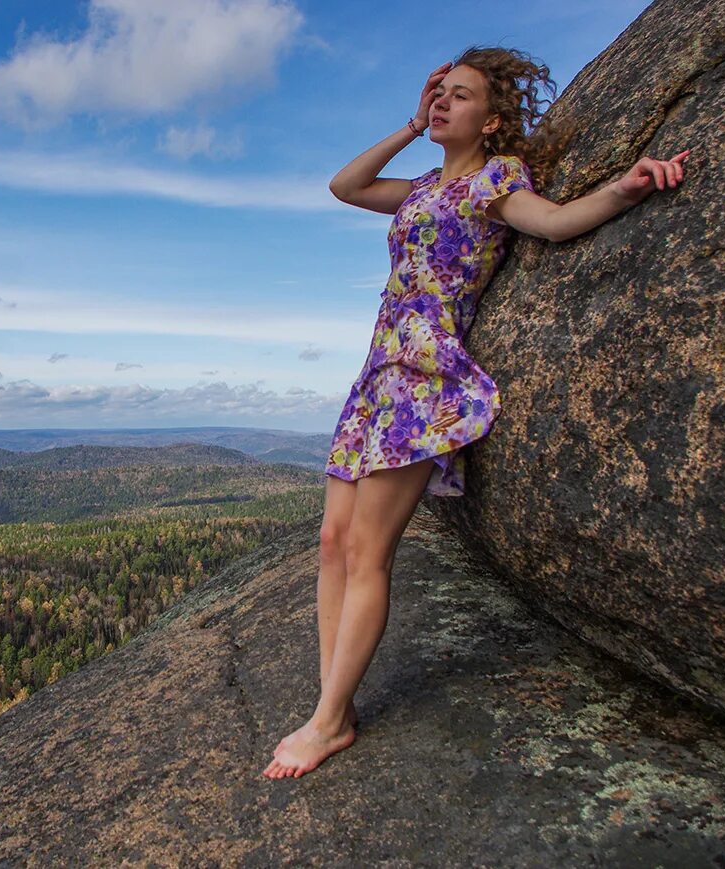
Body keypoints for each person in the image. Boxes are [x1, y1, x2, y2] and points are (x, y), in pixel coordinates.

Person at [263, 46, 690, 780]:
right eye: (439, 94)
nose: (443, 104)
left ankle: (331, 719)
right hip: (375, 376)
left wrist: (626, 189)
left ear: (491, 122)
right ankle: (330, 700)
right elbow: (345, 185)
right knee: (333, 541)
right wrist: (409, 119)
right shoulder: (424, 185)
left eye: (459, 97)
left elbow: (554, 223)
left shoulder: (497, 179)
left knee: (369, 551)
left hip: (425, 377)